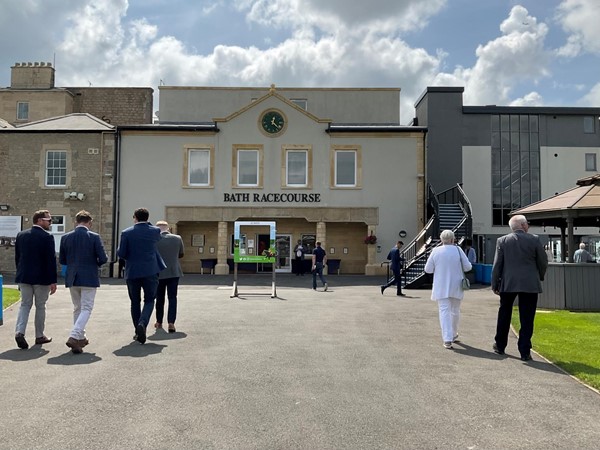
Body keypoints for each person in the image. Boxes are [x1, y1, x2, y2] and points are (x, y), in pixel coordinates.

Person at [491, 214, 548, 361]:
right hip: (529, 283)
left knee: (504, 313)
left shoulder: (502, 241)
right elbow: (543, 261)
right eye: (527, 224)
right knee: (527, 317)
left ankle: (500, 345)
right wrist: (540, 276)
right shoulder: (534, 239)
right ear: (523, 225)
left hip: (508, 283)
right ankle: (525, 351)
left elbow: (497, 265)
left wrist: (495, 284)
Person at [59, 210, 108, 353]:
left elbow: (62, 260)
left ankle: (80, 338)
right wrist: (95, 263)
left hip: (72, 275)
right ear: (90, 222)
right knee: (86, 308)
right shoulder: (94, 237)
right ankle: (74, 336)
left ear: (76, 222)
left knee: (77, 308)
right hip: (89, 276)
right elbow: (103, 258)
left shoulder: (66, 237)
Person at [117, 208, 166, 344]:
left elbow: (121, 254)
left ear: (135, 218)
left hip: (132, 271)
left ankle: (137, 331)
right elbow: (157, 237)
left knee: (135, 301)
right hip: (150, 270)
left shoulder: (126, 233)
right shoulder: (155, 231)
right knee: (149, 300)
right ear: (148, 218)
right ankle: (143, 324)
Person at [14, 209, 57, 349]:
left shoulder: (21, 235)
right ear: (39, 220)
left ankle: (19, 332)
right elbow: (51, 261)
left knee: (24, 305)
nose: (50, 223)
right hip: (42, 278)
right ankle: (39, 335)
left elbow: (18, 258)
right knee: (40, 306)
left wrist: (19, 273)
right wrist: (53, 280)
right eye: (48, 220)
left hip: (24, 276)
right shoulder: (47, 237)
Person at [424, 230, 472, 349]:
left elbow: (428, 269)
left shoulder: (436, 251)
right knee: (455, 310)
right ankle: (453, 333)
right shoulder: (458, 250)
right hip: (456, 285)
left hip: (441, 285)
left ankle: (447, 338)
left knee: (444, 311)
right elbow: (468, 267)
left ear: (441, 240)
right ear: (452, 239)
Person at [154, 220, 184, 333]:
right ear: (168, 229)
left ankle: (159, 321)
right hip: (173, 271)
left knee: (159, 298)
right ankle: (171, 323)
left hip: (158, 272)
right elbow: (181, 254)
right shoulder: (177, 238)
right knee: (172, 297)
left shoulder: (154, 239)